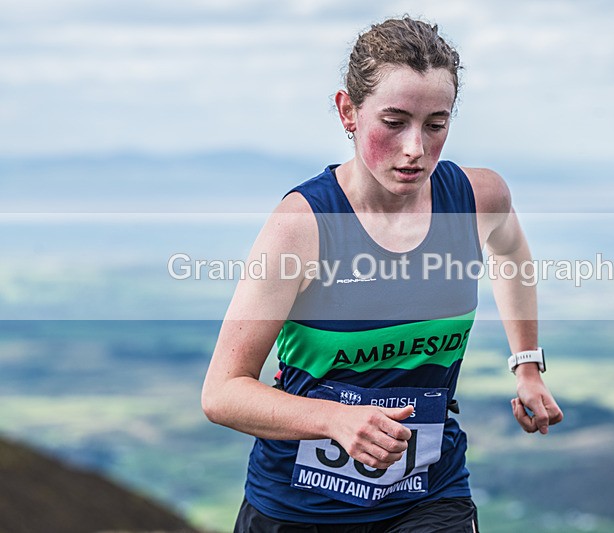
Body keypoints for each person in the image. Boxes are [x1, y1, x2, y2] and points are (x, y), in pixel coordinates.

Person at [202, 16, 563, 532]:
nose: (415, 148)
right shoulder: (302, 227)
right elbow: (222, 393)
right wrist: (334, 420)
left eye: (435, 124)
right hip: (299, 510)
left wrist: (526, 365)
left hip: (430, 496)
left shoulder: (478, 199)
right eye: (394, 122)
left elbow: (510, 256)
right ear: (348, 111)